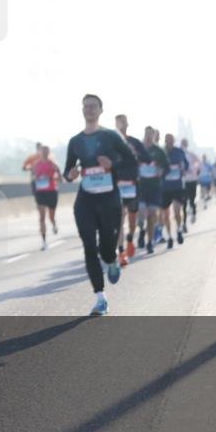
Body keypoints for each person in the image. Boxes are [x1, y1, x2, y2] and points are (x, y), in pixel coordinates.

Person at [63, 94, 137, 316]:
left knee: (106, 249)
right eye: (86, 106)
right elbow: (67, 172)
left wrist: (113, 165)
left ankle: (112, 259)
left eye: (94, 106)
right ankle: (100, 298)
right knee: (88, 247)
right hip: (85, 200)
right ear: (82, 110)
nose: (90, 110)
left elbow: (131, 162)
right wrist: (71, 173)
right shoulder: (75, 141)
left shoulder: (111, 136)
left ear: (101, 110)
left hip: (109, 200)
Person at [114, 114, 149, 265]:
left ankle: (130, 239)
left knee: (132, 218)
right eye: (118, 123)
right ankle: (121, 252)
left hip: (133, 184)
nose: (121, 125)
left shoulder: (134, 142)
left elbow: (147, 159)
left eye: (123, 122)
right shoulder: (111, 142)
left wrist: (136, 155)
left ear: (127, 124)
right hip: (116, 184)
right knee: (119, 218)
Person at [137, 126, 169, 255]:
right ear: (144, 134)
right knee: (142, 214)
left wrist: (162, 171)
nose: (149, 136)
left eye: (151, 134)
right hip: (141, 186)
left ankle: (149, 242)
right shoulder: (139, 149)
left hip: (155, 187)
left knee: (152, 216)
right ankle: (141, 230)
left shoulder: (159, 151)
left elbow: (167, 166)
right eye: (147, 133)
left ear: (154, 135)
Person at [160, 133, 189, 249]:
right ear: (165, 141)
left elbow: (186, 164)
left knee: (177, 211)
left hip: (177, 186)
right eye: (167, 140)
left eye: (171, 140)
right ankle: (169, 237)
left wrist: (184, 169)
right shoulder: (161, 152)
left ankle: (179, 230)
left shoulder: (179, 152)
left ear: (174, 141)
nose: (168, 142)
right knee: (166, 215)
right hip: (164, 187)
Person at [31, 145, 61, 250]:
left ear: (49, 153)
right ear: (41, 153)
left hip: (51, 192)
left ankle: (54, 224)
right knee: (42, 217)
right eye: (43, 152)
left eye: (46, 152)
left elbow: (60, 178)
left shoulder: (53, 164)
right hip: (41, 193)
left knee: (51, 217)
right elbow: (33, 178)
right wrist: (37, 179)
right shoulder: (36, 164)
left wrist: (55, 175)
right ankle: (44, 242)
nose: (45, 153)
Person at [180, 138, 200, 229]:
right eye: (182, 143)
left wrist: (195, 169)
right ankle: (184, 223)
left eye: (185, 143)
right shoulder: (178, 154)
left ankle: (194, 213)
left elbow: (198, 163)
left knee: (192, 199)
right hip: (183, 181)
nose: (183, 145)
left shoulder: (191, 154)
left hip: (192, 180)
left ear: (187, 144)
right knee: (184, 202)